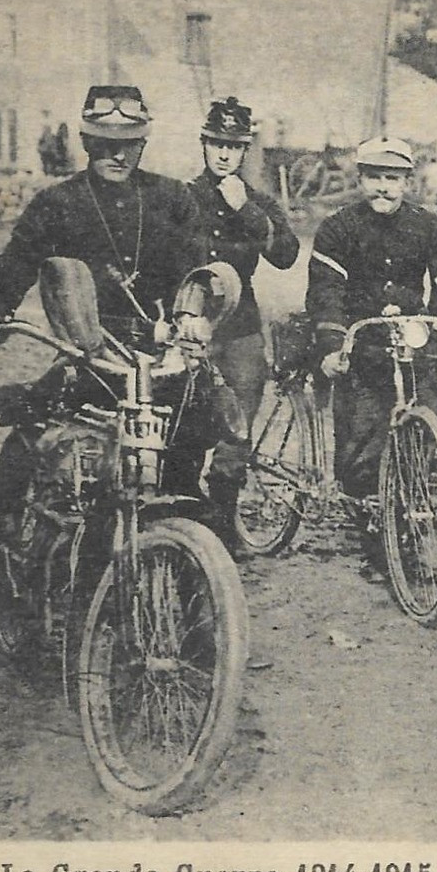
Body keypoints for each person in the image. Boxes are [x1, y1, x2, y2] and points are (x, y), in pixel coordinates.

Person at [0, 85, 216, 505]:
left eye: (130, 145)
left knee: (189, 446)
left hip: (161, 352)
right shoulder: (58, 202)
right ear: (85, 142)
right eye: (106, 144)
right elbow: (19, 260)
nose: (119, 155)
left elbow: (197, 268)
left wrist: (191, 313)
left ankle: (186, 545)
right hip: (89, 352)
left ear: (143, 144)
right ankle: (9, 544)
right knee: (45, 442)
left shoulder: (171, 198)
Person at [307, 135, 437, 562]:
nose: (383, 187)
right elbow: (326, 293)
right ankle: (373, 532)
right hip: (362, 345)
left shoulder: (428, 226)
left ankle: (413, 514)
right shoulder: (338, 228)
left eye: (393, 178)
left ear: (407, 182)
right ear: (361, 178)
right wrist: (332, 343)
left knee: (429, 432)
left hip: (413, 342)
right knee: (362, 444)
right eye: (375, 177)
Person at [186, 96, 301, 540]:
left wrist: (244, 211)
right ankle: (184, 520)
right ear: (204, 144)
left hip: (240, 328)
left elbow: (287, 255)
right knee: (187, 423)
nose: (223, 153)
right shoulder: (182, 197)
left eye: (233, 146)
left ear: (245, 149)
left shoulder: (258, 203)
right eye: (216, 143)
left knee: (237, 427)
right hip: (191, 323)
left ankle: (221, 523)